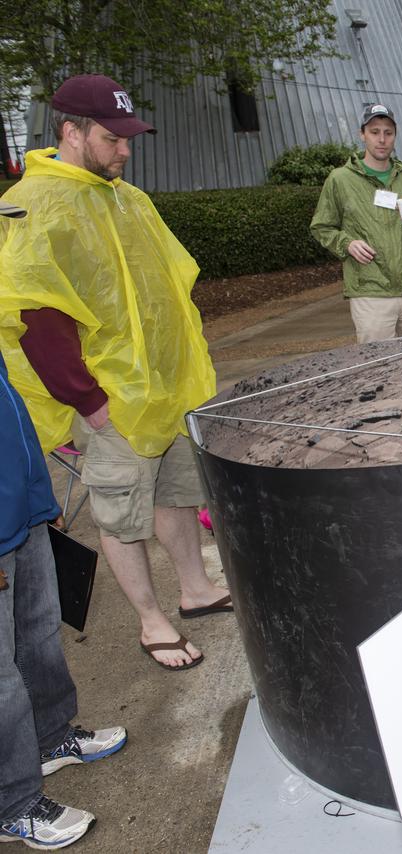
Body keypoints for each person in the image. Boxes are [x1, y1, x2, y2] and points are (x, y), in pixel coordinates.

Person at [0, 74, 226, 671]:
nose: (126, 150)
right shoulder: (36, 204)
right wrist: (90, 403)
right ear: (71, 133)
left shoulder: (122, 194)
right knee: (121, 513)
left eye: (129, 137)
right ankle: (152, 621)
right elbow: (36, 317)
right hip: (112, 402)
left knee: (175, 496)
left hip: (163, 391)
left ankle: (195, 588)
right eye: (112, 138)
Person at [1, 259, 128, 846]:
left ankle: (53, 737)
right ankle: (14, 802)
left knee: (40, 637)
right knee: (2, 679)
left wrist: (37, 496)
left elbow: (12, 419)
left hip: (19, 515)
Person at [311, 103, 402, 343]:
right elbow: (321, 227)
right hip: (370, 291)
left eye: (388, 132)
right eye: (374, 132)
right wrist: (347, 243)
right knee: (379, 369)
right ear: (362, 134)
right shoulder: (340, 179)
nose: (381, 139)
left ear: (395, 136)